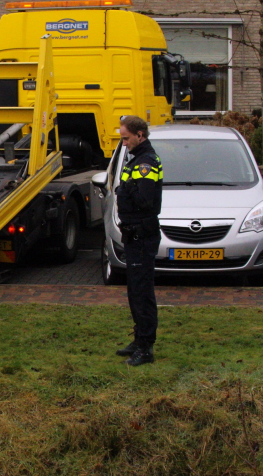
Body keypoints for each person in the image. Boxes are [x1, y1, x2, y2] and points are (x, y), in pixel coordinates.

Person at [114, 115, 163, 366]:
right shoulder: (136, 160)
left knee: (142, 291)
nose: (124, 144)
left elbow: (145, 200)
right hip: (135, 234)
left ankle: (146, 347)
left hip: (142, 235)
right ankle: (139, 339)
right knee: (135, 289)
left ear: (140, 135)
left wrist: (126, 189)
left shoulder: (146, 163)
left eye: (126, 138)